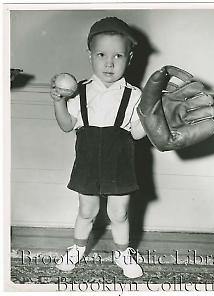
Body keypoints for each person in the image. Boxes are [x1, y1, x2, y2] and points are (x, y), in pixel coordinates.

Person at [50, 17, 146, 278]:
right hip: (89, 160)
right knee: (87, 210)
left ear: (130, 57)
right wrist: (59, 101)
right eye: (102, 54)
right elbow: (67, 125)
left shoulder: (135, 95)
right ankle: (78, 248)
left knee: (119, 212)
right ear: (90, 55)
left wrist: (154, 116)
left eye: (118, 55)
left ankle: (123, 253)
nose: (109, 62)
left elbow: (137, 133)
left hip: (120, 163)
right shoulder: (79, 91)